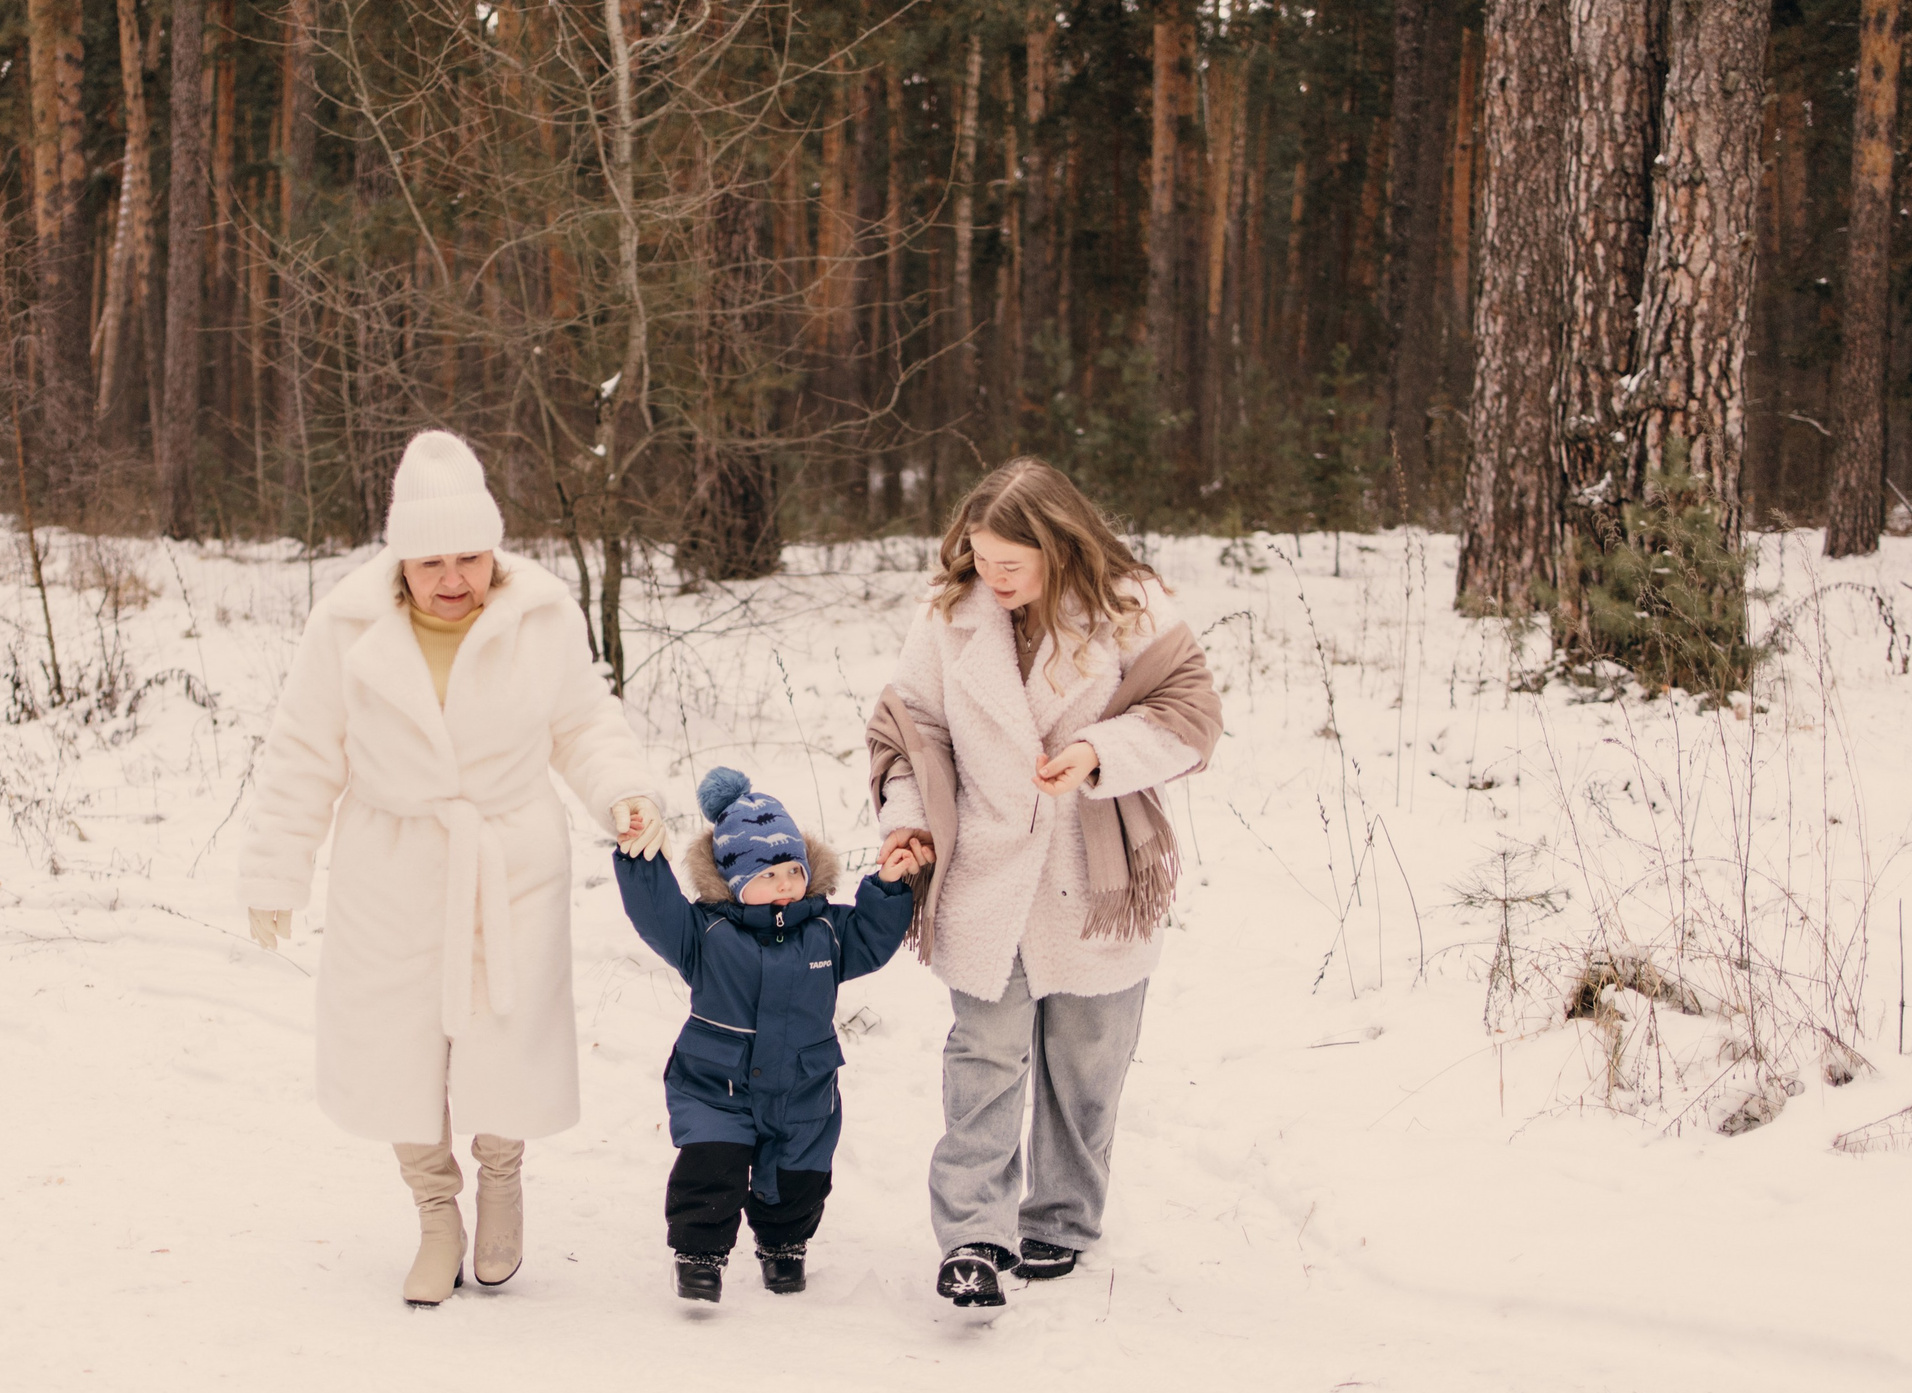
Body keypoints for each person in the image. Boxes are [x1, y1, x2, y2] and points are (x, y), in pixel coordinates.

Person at [241, 430, 666, 1306]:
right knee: (396, 1047)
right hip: (389, 861)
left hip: (507, 860)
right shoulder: (347, 625)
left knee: (506, 1033)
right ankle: (437, 1213)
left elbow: (584, 723)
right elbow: (303, 752)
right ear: (399, 559)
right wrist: (277, 870)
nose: (452, 578)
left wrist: (624, 794)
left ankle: (501, 1177)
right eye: (431, 560)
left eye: (470, 556)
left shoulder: (540, 615)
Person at [865, 458, 1223, 1308]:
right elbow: (908, 729)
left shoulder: (1128, 605)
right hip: (987, 871)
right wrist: (908, 824)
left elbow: (1191, 710)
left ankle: (1060, 1218)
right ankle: (972, 1237)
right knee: (984, 1054)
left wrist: (1103, 753)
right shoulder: (950, 616)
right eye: (982, 559)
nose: (993, 577)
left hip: (1096, 875)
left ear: (1058, 544)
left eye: (1010, 564)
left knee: (1087, 1058)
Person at [614, 766, 924, 1302]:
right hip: (716, 1083)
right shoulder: (706, 934)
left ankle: (784, 1248)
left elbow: (873, 939)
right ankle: (699, 1257)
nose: (785, 884)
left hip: (804, 1086)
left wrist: (890, 888)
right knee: (711, 1167)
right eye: (768, 875)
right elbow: (656, 913)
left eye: (792, 871)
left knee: (799, 1175)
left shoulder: (827, 929)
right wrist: (640, 860)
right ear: (735, 882)